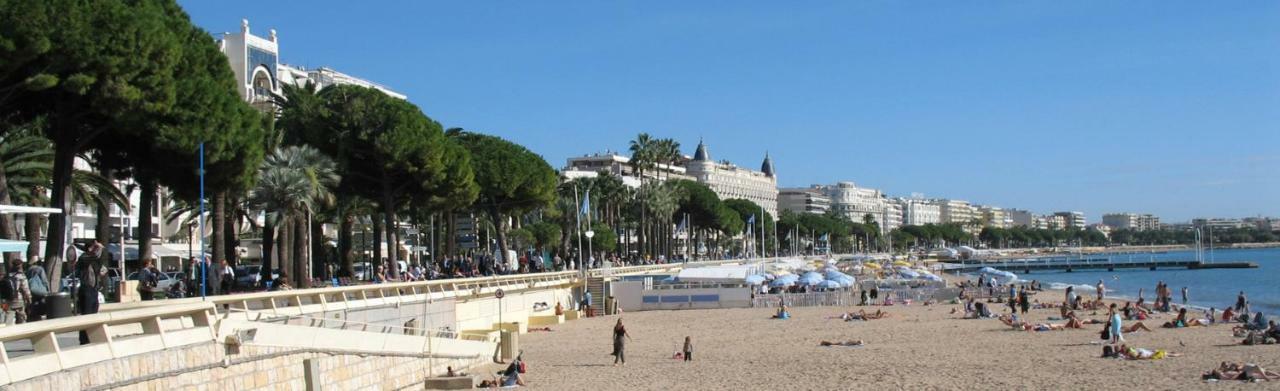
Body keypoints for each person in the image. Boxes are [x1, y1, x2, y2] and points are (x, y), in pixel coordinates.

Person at [77, 243, 107, 344]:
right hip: (86, 290)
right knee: (86, 315)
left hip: (94, 290)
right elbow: (95, 255)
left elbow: (102, 269)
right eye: (93, 247)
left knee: (94, 314)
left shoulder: (94, 261)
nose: (95, 250)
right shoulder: (83, 258)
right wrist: (98, 248)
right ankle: (84, 339)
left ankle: (91, 337)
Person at [25, 257, 48, 321]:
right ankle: (39, 317)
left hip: (31, 290)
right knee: (41, 303)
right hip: (40, 290)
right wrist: (47, 289)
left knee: (33, 302)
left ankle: (33, 316)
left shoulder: (28, 270)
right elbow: (44, 281)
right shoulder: (40, 269)